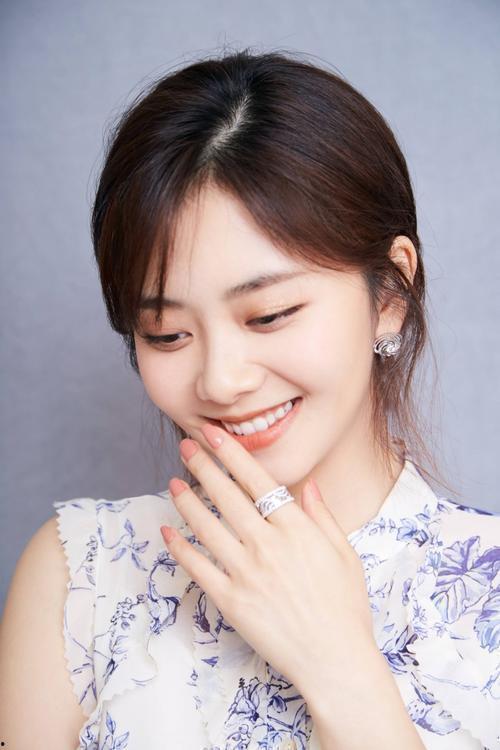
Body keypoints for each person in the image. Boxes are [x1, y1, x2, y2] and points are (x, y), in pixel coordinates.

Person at [1, 47, 499, 750]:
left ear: (389, 294)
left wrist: (343, 672)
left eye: (268, 315)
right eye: (168, 334)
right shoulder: (82, 576)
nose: (219, 380)